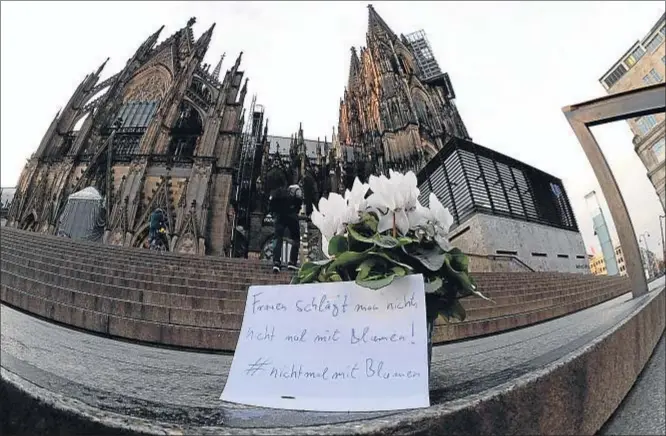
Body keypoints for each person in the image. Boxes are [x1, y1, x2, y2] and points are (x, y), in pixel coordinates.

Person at [269, 183, 303, 272]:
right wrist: (295, 209)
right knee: (296, 239)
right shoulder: (297, 189)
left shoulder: (280, 192)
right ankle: (292, 262)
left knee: (277, 238)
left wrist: (273, 214)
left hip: (280, 217)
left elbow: (272, 204)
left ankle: (276, 262)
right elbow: (299, 201)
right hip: (292, 216)